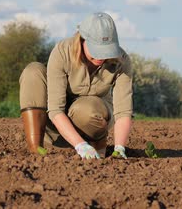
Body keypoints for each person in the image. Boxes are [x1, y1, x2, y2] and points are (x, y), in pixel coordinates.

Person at [19, 12, 133, 159]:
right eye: (96, 49)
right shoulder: (62, 52)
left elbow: (123, 112)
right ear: (82, 40)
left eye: (106, 50)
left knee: (88, 108)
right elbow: (55, 109)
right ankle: (36, 149)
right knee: (33, 71)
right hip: (55, 124)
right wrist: (80, 145)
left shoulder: (121, 61)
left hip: (89, 122)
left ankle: (96, 146)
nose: (101, 57)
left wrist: (119, 148)